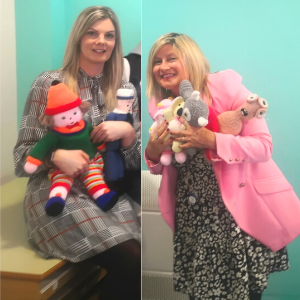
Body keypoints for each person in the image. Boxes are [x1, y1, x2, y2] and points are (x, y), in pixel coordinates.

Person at [144, 33, 300, 300]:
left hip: (236, 218)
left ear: (190, 59)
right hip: (193, 220)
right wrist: (153, 152)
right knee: (199, 293)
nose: (163, 66)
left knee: (244, 294)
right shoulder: (163, 106)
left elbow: (263, 147)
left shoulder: (224, 87)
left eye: (171, 58)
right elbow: (163, 165)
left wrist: (212, 139)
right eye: (157, 61)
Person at [13, 6, 141, 300]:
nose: (101, 41)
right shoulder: (49, 83)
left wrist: (129, 134)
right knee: (129, 258)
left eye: (109, 35)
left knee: (140, 255)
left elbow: (133, 161)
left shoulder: (122, 91)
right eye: (92, 33)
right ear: (78, 38)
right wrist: (56, 156)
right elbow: (21, 158)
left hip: (102, 189)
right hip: (57, 192)